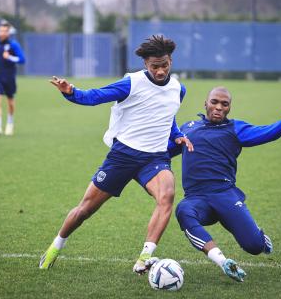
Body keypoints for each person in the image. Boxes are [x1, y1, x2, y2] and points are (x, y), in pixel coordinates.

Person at [39, 35, 193, 274]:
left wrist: (177, 135)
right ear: (145, 65)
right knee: (84, 210)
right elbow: (95, 97)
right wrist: (71, 92)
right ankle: (55, 246)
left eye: (164, 65)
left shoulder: (178, 89)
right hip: (123, 156)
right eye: (155, 66)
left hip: (154, 158)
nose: (160, 71)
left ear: (170, 61)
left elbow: (168, 115)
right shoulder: (131, 83)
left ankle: (144, 258)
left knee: (167, 196)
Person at [169, 87, 281, 282]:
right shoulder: (188, 128)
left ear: (229, 108)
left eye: (224, 104)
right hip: (197, 200)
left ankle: (259, 238)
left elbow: (270, 132)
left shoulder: (235, 129)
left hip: (226, 196)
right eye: (214, 102)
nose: (218, 107)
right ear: (206, 103)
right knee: (183, 211)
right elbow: (163, 152)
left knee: (254, 246)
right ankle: (223, 261)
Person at [0, 21, 25, 136]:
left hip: (10, 77)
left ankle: (10, 124)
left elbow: (22, 60)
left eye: (5, 31)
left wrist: (10, 57)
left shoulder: (13, 45)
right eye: (0, 30)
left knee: (10, 103)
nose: (2, 33)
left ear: (8, 33)